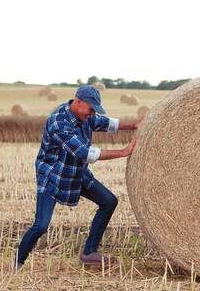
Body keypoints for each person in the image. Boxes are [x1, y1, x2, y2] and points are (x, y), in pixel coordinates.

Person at [15, 85, 139, 270]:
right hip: (54, 178)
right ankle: (17, 262)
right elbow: (83, 152)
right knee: (41, 225)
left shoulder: (84, 115)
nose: (92, 114)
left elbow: (105, 123)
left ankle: (89, 253)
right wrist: (122, 152)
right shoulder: (59, 122)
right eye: (91, 109)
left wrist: (135, 125)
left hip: (77, 174)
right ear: (78, 102)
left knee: (109, 201)